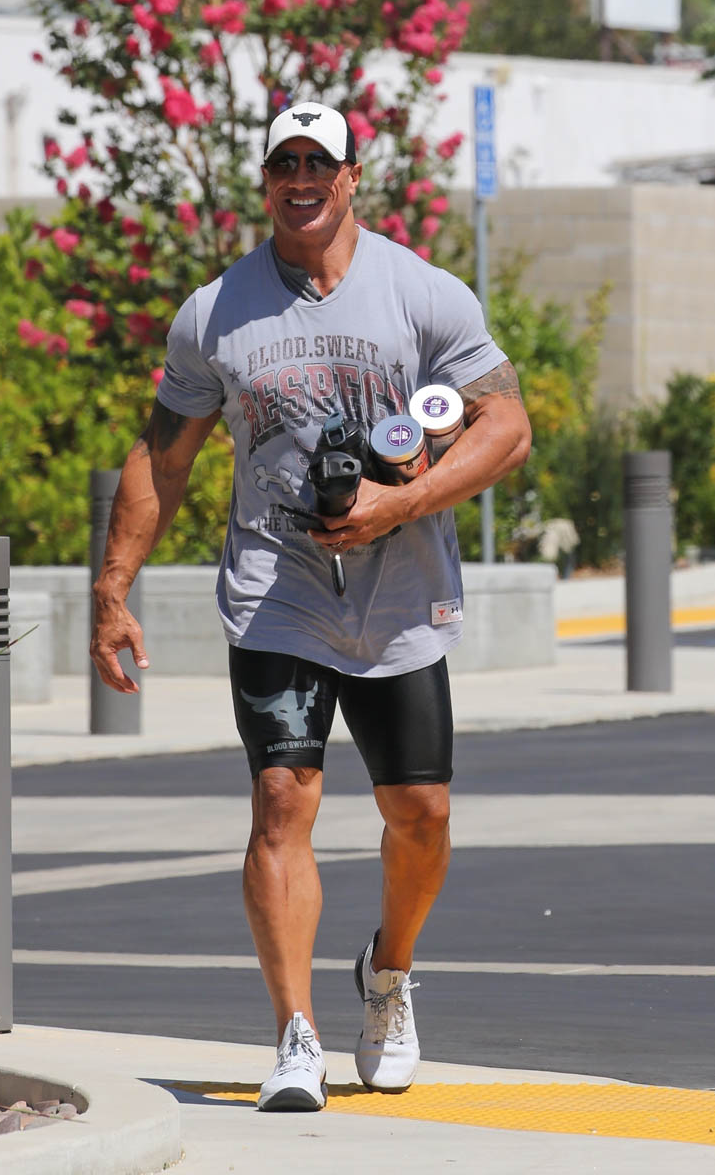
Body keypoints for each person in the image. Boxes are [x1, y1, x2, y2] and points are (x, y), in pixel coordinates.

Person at [90, 101, 531, 1112]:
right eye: (283, 162)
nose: (301, 179)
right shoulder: (215, 312)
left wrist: (402, 500)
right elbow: (162, 456)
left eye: (317, 162)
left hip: (401, 596)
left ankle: (388, 972)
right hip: (277, 592)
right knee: (282, 799)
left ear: (350, 176)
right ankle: (295, 1035)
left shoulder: (423, 293)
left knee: (420, 814)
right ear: (266, 179)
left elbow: (506, 426)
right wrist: (111, 589)